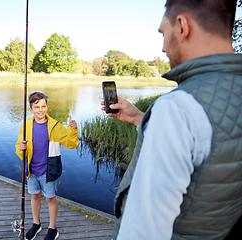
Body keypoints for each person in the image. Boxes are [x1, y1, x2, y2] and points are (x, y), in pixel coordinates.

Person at [101, 0, 242, 239]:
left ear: (182, 26)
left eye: (163, 34)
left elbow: (142, 232)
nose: (164, 47)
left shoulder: (176, 108)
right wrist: (140, 119)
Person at [15, 92, 79, 240]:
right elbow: (19, 148)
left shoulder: (55, 126)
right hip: (31, 171)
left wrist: (73, 130)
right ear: (30, 109)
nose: (40, 110)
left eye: (43, 106)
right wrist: (21, 148)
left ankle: (52, 228)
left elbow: (71, 143)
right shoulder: (25, 127)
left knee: (50, 199)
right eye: (36, 107)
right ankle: (36, 224)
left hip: (48, 172)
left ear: (47, 107)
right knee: (35, 196)